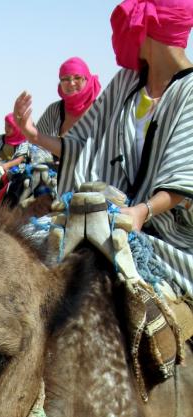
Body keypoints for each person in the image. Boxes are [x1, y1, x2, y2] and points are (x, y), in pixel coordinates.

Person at [13, 0, 193, 301]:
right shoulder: (125, 82)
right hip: (96, 210)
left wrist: (140, 212)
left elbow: (185, 170)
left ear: (149, 30)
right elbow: (84, 145)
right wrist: (33, 135)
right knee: (20, 250)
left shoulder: (189, 91)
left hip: (159, 229)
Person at [37, 57, 102, 138]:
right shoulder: (54, 111)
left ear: (87, 80)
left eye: (77, 78)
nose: (71, 83)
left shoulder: (102, 111)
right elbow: (37, 144)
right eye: (66, 79)